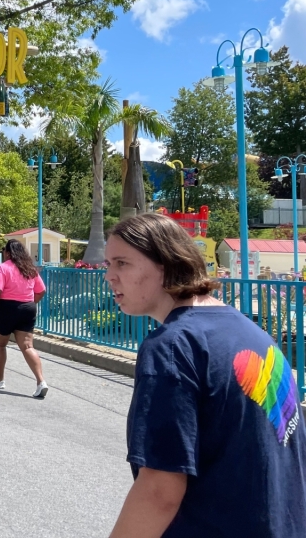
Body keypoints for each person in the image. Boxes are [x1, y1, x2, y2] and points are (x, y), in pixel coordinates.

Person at [107, 213, 306, 538]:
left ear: (166, 264)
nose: (109, 276)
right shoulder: (250, 333)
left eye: (122, 263)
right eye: (107, 264)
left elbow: (159, 489)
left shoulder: (172, 347)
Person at [0, 239, 49, 398]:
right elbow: (41, 291)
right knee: (27, 346)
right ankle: (41, 381)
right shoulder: (30, 269)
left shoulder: (1, 268)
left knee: (0, 344)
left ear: (7, 253)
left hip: (6, 307)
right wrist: (29, 303)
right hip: (27, 308)